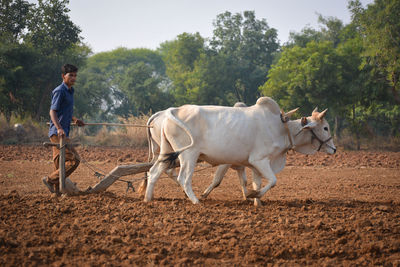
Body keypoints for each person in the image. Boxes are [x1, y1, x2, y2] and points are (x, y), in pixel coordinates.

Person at [42, 64, 85, 195]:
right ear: (63, 76)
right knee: (74, 160)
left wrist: (74, 119)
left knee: (59, 162)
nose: (73, 78)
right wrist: (59, 128)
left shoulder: (70, 91)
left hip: (64, 131)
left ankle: (57, 191)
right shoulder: (59, 91)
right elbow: (52, 112)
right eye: (70, 75)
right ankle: (50, 180)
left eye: (75, 75)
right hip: (58, 133)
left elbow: (63, 111)